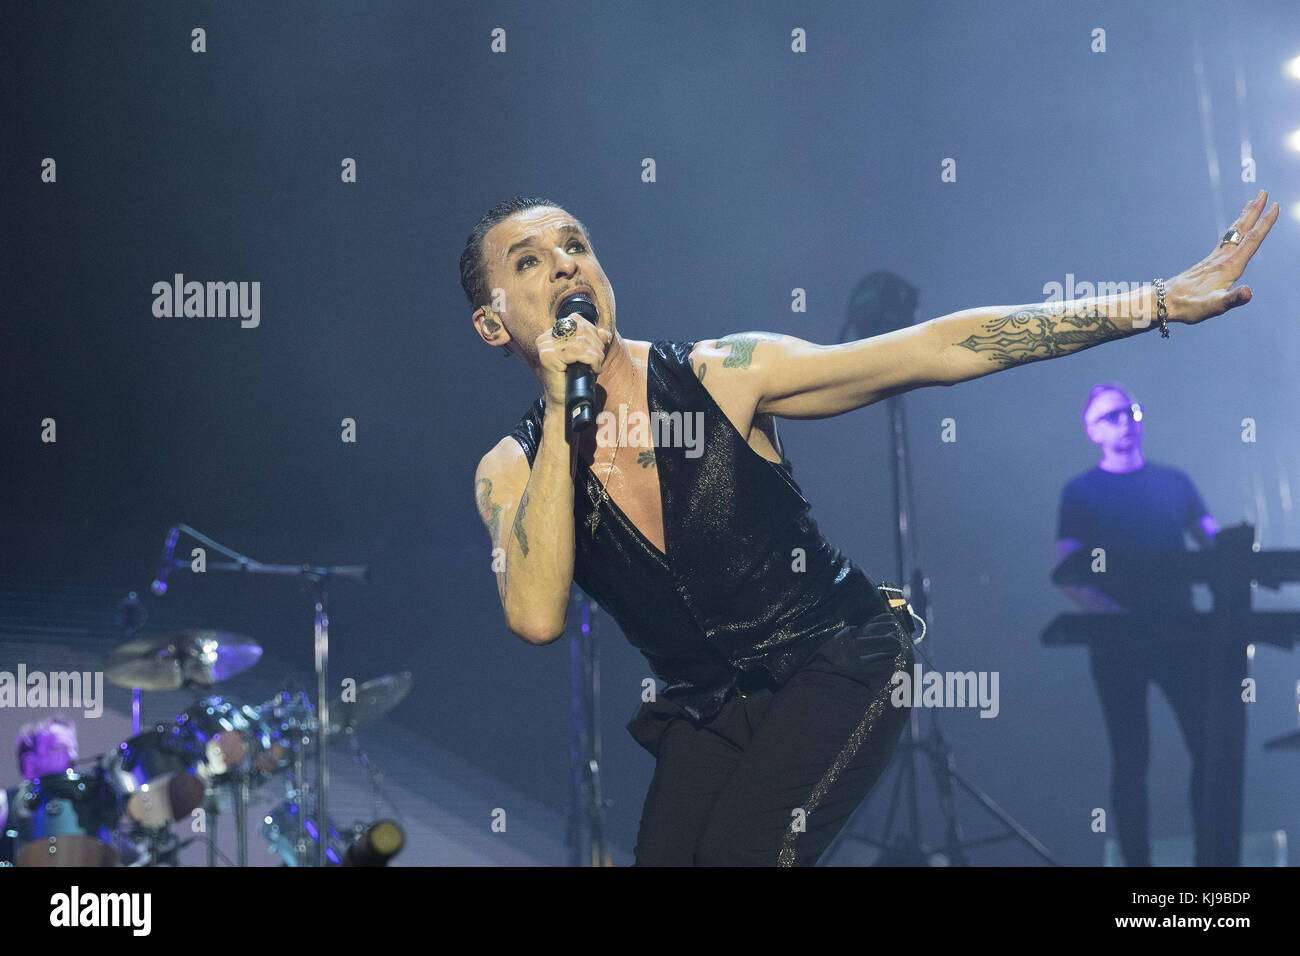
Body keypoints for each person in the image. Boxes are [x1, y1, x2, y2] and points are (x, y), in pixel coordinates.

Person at [465, 191, 1277, 865]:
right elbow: (536, 616)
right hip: (709, 709)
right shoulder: (512, 470)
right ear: (494, 324)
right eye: (529, 262)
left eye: (575, 244)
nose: (566, 263)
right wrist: (566, 420)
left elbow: (938, 347)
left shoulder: (722, 373)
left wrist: (1156, 303)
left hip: (839, 660)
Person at [1055, 383, 1230, 866]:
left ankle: (1211, 864)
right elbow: (1066, 572)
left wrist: (1242, 562)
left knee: (1208, 749)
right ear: (1092, 431)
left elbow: (1218, 548)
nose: (1125, 421)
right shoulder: (1080, 492)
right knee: (1131, 760)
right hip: (1119, 644)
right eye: (1112, 416)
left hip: (1181, 634)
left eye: (1131, 411)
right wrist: (1118, 620)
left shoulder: (1175, 482)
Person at [1, 716, 81, 864]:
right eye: (59, 749)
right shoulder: (4, 804)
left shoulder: (88, 806)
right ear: (30, 762)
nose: (73, 756)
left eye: (73, 748)